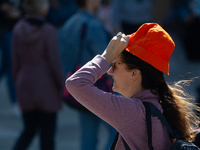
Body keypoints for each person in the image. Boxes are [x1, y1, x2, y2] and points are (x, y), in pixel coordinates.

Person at [66, 23, 200, 149]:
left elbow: (75, 84)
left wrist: (106, 56)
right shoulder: (161, 104)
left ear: (134, 74)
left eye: (114, 65)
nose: (109, 71)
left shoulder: (133, 111)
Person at [59, 0, 116, 149]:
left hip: (80, 88)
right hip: (99, 87)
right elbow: (106, 59)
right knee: (118, 133)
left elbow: (63, 59)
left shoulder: (69, 23)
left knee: (88, 135)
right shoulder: (92, 25)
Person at [12, 0, 63, 150]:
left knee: (28, 130)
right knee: (47, 135)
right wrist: (62, 85)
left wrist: (17, 83)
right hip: (46, 87)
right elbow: (54, 63)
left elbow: (15, 63)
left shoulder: (18, 29)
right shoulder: (48, 31)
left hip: (25, 84)